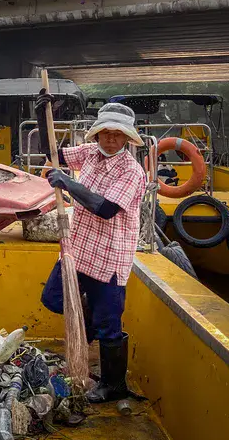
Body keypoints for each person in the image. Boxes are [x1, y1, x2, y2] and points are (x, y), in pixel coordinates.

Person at [35, 93, 148, 403]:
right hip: (79, 250)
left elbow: (106, 207)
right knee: (53, 298)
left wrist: (67, 183)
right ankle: (86, 326)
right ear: (97, 133)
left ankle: (113, 385)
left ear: (127, 138)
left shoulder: (132, 171)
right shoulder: (90, 153)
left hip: (110, 258)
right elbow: (52, 152)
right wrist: (41, 109)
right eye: (106, 133)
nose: (110, 140)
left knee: (110, 324)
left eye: (117, 135)